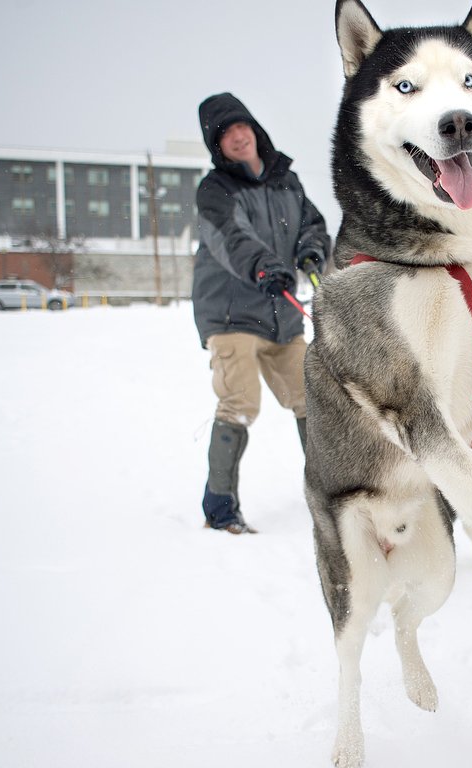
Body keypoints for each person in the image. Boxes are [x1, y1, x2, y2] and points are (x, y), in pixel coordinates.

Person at [192, 93, 331, 534]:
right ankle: (220, 506)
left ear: (253, 130)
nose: (236, 137)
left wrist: (311, 252)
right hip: (231, 315)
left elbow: (312, 224)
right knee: (240, 403)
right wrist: (265, 265)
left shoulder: (286, 181)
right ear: (217, 146)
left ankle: (331, 492)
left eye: (240, 127)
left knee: (310, 398)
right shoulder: (215, 190)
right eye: (224, 134)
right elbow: (232, 237)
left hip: (282, 316)